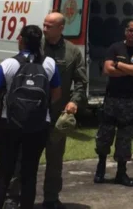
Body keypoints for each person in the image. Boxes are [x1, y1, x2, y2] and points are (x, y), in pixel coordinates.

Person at [0, 25, 62, 209]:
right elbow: (57, 95)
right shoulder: (50, 64)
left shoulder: (9, 64)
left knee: (4, 172)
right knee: (30, 173)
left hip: (9, 124)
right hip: (38, 126)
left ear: (21, 40)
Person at [94, 19, 133, 186]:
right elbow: (107, 70)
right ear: (125, 31)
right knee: (105, 136)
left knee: (125, 138)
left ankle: (121, 172)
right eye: (130, 30)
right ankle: (101, 168)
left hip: (131, 101)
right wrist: (129, 71)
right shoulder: (115, 48)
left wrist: (119, 65)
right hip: (112, 98)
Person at [40, 11, 88, 209]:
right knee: (24, 159)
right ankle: (17, 198)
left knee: (54, 160)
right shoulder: (35, 46)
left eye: (49, 26)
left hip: (56, 115)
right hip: (32, 114)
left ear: (61, 28)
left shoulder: (72, 52)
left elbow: (81, 81)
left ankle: (51, 199)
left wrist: (75, 101)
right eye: (44, 24)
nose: (44, 29)